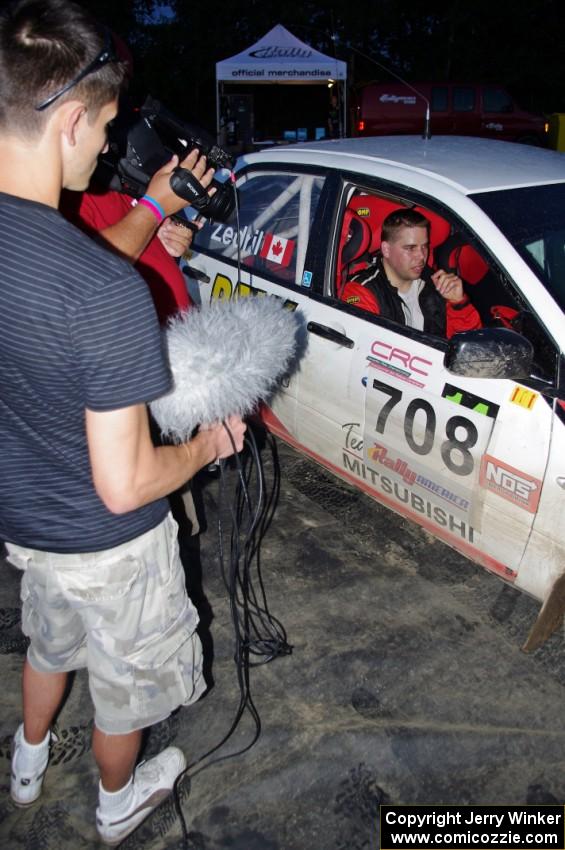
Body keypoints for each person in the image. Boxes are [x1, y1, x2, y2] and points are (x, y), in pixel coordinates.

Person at [0, 1, 246, 846]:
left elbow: (61, 276)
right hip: (112, 545)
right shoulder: (101, 293)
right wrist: (207, 442)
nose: (107, 144)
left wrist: (148, 207)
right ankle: (116, 803)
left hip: (27, 528)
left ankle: (27, 761)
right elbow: (127, 482)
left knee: (47, 644)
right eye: (103, 125)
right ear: (70, 119)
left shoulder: (60, 263)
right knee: (127, 685)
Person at [341, 209, 481, 338]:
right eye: (410, 248)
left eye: (424, 246)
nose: (421, 256)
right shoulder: (362, 291)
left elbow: (470, 346)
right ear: (386, 249)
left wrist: (458, 304)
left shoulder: (437, 283)